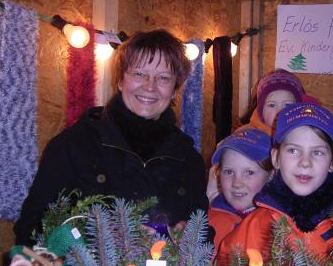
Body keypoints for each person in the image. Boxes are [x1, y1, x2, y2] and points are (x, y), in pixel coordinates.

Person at [14, 29, 208, 245]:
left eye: (163, 78)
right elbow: (32, 230)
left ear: (174, 90)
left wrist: (188, 235)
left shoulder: (188, 159)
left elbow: (204, 233)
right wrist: (105, 239)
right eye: (139, 74)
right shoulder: (74, 145)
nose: (150, 86)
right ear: (120, 81)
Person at [217, 103, 333, 266]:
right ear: (276, 157)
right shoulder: (252, 230)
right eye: (293, 150)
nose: (305, 162)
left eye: (317, 152)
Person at [206, 69, 333, 202]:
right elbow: (227, 166)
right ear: (260, 109)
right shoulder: (246, 134)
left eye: (287, 105)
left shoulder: (313, 130)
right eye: (271, 105)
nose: (280, 112)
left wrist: (329, 175)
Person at [207, 128, 273, 251]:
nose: (237, 183)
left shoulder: (279, 226)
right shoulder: (208, 222)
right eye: (229, 172)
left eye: (249, 172)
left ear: (271, 175)